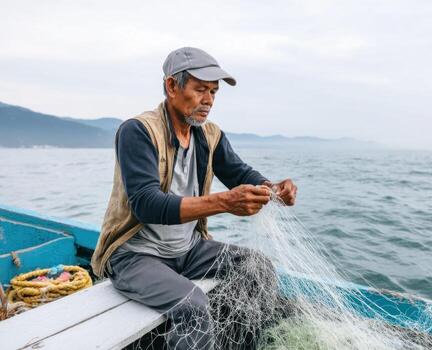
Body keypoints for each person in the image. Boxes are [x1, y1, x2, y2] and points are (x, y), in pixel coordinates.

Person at [91, 47, 297, 350]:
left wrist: (272, 188)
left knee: (259, 268)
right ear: (172, 86)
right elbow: (147, 203)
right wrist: (225, 202)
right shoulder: (138, 131)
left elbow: (239, 172)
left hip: (189, 249)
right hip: (135, 256)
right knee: (193, 306)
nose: (209, 100)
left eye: (213, 92)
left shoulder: (209, 135)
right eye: (200, 89)